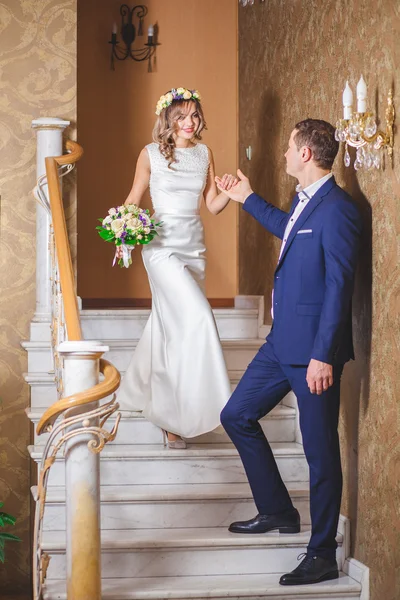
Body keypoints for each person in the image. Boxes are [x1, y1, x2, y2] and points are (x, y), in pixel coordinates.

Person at [216, 119, 362, 586]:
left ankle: (321, 553)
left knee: (321, 454)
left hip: (314, 354)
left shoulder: (338, 209)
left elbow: (341, 285)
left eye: (288, 148)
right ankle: (278, 510)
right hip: (281, 343)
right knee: (236, 414)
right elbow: (288, 229)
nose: (283, 154)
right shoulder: (306, 204)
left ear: (306, 154)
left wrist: (324, 354)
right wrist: (246, 198)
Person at [117, 88, 236, 448]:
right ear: (168, 119)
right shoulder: (150, 153)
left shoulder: (204, 153)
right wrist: (123, 233)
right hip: (161, 247)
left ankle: (143, 389)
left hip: (193, 247)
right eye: (182, 116)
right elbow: (134, 198)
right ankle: (175, 418)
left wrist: (229, 190)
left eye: (195, 116)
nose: (190, 123)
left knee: (168, 324)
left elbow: (212, 206)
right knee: (199, 316)